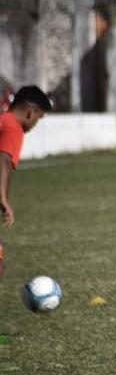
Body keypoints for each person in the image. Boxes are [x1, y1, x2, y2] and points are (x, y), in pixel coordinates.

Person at [0, 85, 52, 275]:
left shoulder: (3, 120)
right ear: (31, 113)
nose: (35, 124)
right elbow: (4, 160)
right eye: (38, 119)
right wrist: (3, 198)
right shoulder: (13, 127)